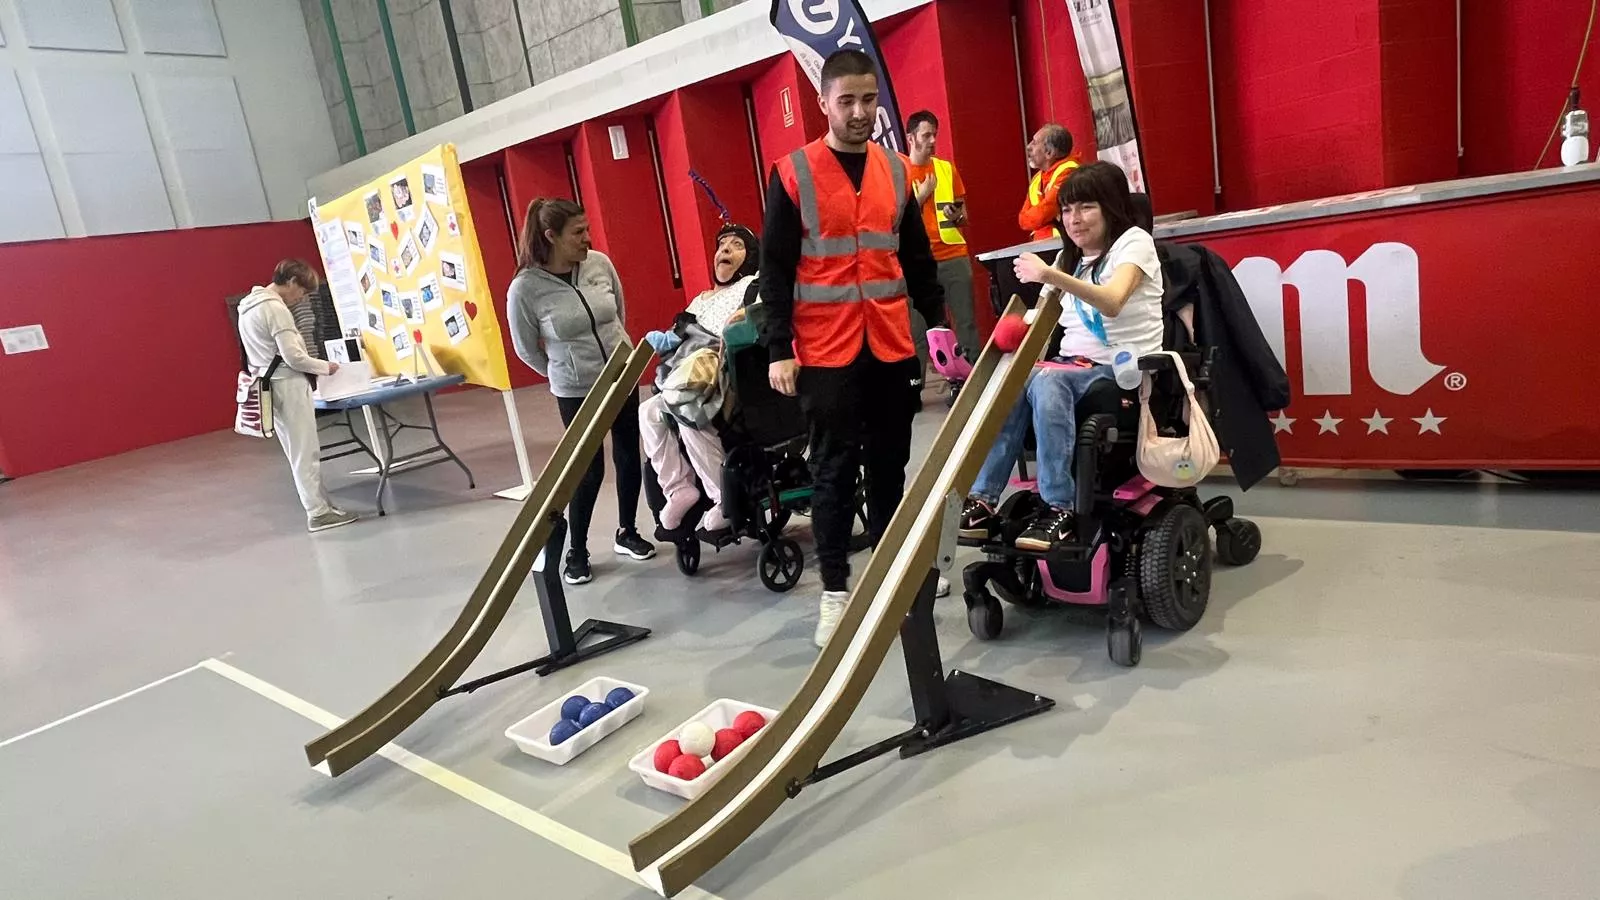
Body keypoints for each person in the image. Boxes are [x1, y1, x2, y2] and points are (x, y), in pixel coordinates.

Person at [760, 49, 948, 648]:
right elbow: (774, 268)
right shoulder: (792, 173)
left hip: (890, 345)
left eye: (869, 100)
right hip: (825, 353)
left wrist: (938, 324)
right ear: (823, 103)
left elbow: (916, 259)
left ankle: (894, 573)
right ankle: (836, 591)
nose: (861, 111)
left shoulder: (897, 172)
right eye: (847, 101)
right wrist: (776, 348)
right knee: (834, 472)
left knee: (891, 465)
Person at [963, 162, 1165, 552]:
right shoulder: (1068, 259)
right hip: (1073, 368)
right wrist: (1013, 338)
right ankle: (983, 499)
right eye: (1068, 210)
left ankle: (1061, 509)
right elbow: (1039, 321)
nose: (1074, 219)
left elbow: (1111, 301)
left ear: (1111, 208)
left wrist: (1050, 276)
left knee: (1049, 379)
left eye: (1086, 207)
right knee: (1019, 378)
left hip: (1124, 372)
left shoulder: (1134, 243)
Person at [507, 198, 657, 585]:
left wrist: (616, 357)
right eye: (578, 232)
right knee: (587, 472)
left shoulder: (599, 264)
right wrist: (563, 374)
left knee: (628, 455)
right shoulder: (525, 289)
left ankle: (627, 531)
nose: (587, 238)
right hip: (576, 391)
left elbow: (617, 312)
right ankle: (578, 549)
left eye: (587, 229)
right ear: (550, 236)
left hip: (621, 376)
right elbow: (526, 348)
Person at [641, 223, 762, 542]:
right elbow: (680, 333)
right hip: (688, 368)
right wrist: (669, 339)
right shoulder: (702, 298)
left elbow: (759, 318)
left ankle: (723, 499)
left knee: (684, 404)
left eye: (736, 245)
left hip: (725, 364)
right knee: (649, 412)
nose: (724, 250)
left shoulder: (754, 285)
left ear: (750, 257)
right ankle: (678, 489)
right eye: (721, 245)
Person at [236, 260, 358, 533]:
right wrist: (325, 368)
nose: (300, 298)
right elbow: (293, 357)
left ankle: (322, 505)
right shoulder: (275, 309)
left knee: (296, 452)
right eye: (301, 291)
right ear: (291, 281)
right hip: (289, 386)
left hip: (269, 386)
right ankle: (318, 512)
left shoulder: (248, 306)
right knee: (306, 452)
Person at [905, 110, 981, 364]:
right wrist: (921, 196)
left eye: (934, 135)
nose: (932, 141)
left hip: (953, 256)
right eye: (926, 135)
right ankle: (915, 388)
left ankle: (971, 379)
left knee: (966, 322)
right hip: (917, 263)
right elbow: (893, 220)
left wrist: (957, 215)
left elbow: (964, 216)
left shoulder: (946, 169)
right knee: (917, 329)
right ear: (911, 139)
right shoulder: (898, 173)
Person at [1018, 124, 1080, 241]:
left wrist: (1039, 218)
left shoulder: (1070, 172)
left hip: (1064, 244)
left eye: (1034, 142)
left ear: (1050, 152)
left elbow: (1046, 212)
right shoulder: (1037, 178)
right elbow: (1022, 220)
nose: (1028, 146)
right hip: (1042, 244)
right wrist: (1039, 218)